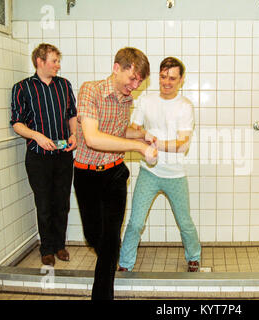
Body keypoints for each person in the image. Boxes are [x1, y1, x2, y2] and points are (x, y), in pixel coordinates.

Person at [74, 47, 157, 300]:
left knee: (110, 243)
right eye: (132, 79)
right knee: (93, 237)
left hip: (115, 175)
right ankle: (110, 256)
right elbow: (93, 137)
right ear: (116, 68)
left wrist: (143, 134)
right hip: (87, 176)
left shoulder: (125, 99)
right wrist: (139, 146)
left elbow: (118, 132)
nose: (134, 86)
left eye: (139, 82)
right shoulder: (91, 90)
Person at [118, 57, 201, 273]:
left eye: (172, 78)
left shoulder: (185, 107)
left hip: (175, 175)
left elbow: (183, 145)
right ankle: (125, 264)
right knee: (136, 222)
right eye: (163, 76)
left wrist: (154, 142)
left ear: (181, 80)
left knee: (184, 222)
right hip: (149, 172)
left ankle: (194, 257)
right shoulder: (146, 101)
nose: (167, 82)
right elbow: (134, 129)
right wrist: (142, 140)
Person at [10, 43, 77, 267]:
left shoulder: (64, 86)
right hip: (38, 157)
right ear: (40, 61)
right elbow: (17, 124)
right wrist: (36, 136)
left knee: (62, 202)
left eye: (58, 61)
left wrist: (74, 135)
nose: (58, 65)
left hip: (63, 155)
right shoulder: (22, 88)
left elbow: (72, 115)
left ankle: (59, 245)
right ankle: (46, 248)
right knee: (44, 203)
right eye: (54, 61)